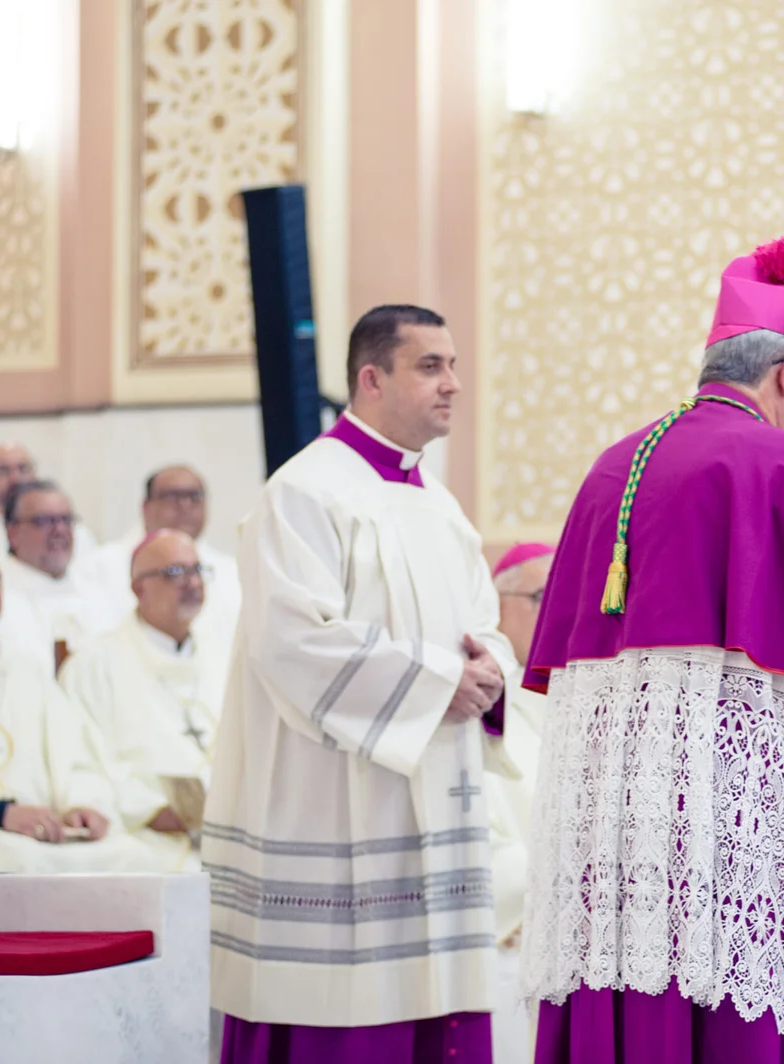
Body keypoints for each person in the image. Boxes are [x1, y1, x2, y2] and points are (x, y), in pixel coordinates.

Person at [521, 236, 784, 1063]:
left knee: (625, 992)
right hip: (722, 818)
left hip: (613, 830)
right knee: (727, 999)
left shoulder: (613, 466)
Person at [203, 304, 520, 1064]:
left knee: (436, 999)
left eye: (453, 365)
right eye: (430, 366)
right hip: (336, 810)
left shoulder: (439, 504)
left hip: (436, 800)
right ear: (371, 379)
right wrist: (438, 685)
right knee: (349, 1012)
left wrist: (490, 673)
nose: (453, 384)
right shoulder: (304, 492)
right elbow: (294, 641)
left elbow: (485, 624)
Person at [0, 565, 197, 873]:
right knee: (18, 861)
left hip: (43, 834)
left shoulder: (26, 673)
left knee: (130, 858)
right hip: (10, 839)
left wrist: (82, 805)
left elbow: (76, 757)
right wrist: (3, 814)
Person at [59, 529, 226, 842]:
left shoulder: (225, 657)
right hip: (141, 833)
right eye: (175, 572)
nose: (192, 583)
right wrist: (150, 809)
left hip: (226, 831)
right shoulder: (93, 665)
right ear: (138, 588)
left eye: (197, 570)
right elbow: (83, 759)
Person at [488, 541, 554, 1064]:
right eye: (540, 597)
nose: (556, 612)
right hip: (508, 944)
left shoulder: (583, 694)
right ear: (497, 604)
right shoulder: (482, 697)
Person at [75, 464, 244, 657]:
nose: (185, 505)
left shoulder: (231, 571)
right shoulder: (98, 567)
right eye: (172, 496)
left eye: (194, 496)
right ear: (145, 507)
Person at [0, 480, 119, 667]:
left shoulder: (96, 590)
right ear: (13, 532)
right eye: (44, 521)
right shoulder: (2, 592)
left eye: (66, 520)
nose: (59, 530)